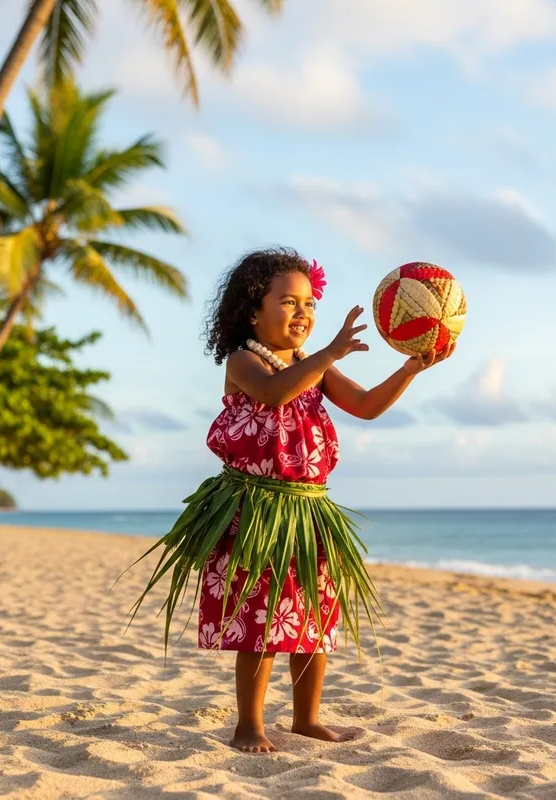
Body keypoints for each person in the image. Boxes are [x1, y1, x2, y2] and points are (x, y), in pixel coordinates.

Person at [125, 247, 455, 754]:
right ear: (252, 310)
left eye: (309, 303)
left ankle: (306, 719)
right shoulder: (245, 360)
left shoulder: (309, 364)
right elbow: (276, 394)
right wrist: (329, 354)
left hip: (307, 510)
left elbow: (365, 407)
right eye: (287, 302)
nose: (302, 313)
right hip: (256, 509)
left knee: (312, 620)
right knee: (261, 622)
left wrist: (411, 369)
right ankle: (249, 725)